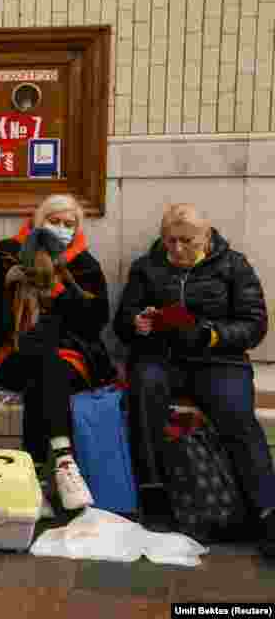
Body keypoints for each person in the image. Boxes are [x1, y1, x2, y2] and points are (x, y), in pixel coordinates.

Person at [114, 203, 275, 557]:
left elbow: (254, 324)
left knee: (238, 419)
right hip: (161, 356)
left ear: (207, 236)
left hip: (217, 359)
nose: (177, 249)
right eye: (170, 241)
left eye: (186, 241)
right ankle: (153, 494)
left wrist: (211, 334)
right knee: (144, 394)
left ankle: (267, 511)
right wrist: (136, 325)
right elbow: (122, 322)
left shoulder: (234, 265)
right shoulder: (147, 268)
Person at [0, 194, 114, 510]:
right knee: (42, 360)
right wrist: (5, 282)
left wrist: (61, 291)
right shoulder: (9, 255)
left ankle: (34, 480)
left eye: (68, 224)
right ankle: (63, 461)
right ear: (38, 222)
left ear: (77, 229)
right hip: (12, 353)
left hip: (68, 357)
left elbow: (95, 322)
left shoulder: (84, 264)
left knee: (45, 367)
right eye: (54, 221)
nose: (60, 229)